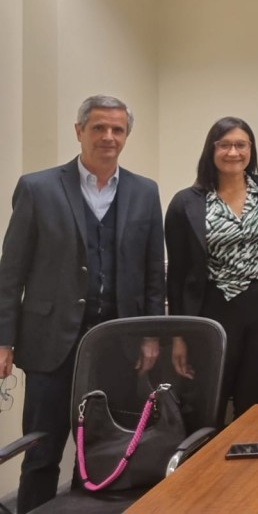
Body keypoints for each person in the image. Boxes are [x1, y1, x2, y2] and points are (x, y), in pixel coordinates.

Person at [0, 95, 165, 513]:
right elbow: (11, 271)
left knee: (106, 449)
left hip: (118, 345)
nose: (108, 137)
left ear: (126, 136)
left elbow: (152, 273)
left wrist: (150, 334)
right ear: (79, 132)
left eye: (117, 130)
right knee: (42, 450)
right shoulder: (38, 188)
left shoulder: (145, 192)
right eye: (98, 128)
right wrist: (3, 340)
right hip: (50, 342)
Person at [164, 117, 258, 421]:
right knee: (209, 399)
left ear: (251, 150)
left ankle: (249, 465)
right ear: (211, 150)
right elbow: (176, 275)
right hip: (212, 309)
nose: (233, 152)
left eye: (241, 145)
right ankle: (205, 465)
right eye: (225, 145)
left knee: (255, 399)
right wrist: (177, 336)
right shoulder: (185, 203)